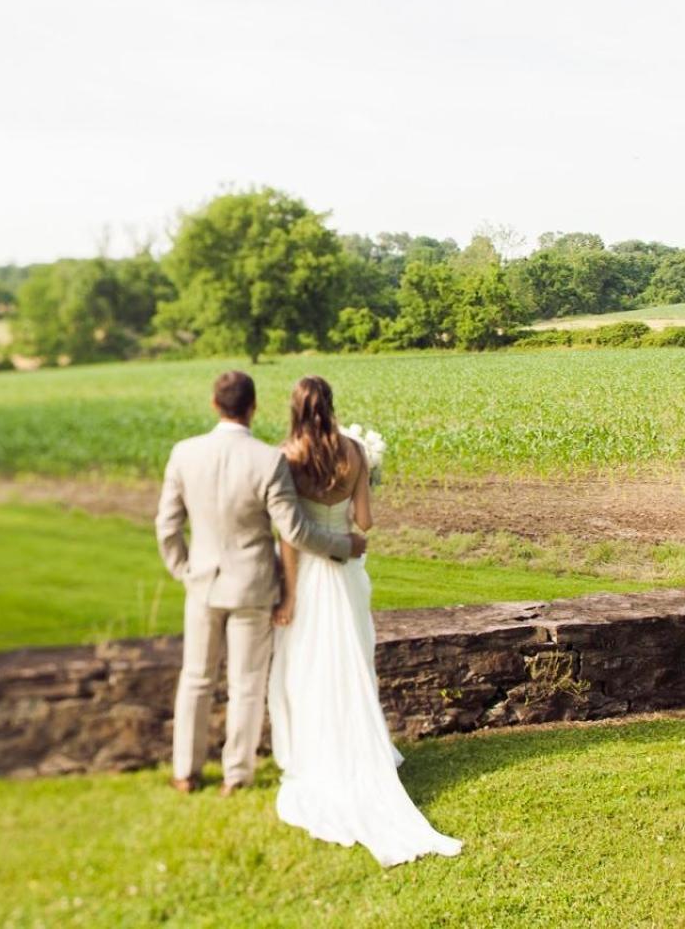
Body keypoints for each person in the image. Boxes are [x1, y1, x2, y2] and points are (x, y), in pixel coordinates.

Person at [267, 375, 463, 866]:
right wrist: (364, 484)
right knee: (353, 661)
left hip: (309, 576)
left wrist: (287, 595)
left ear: (295, 410)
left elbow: (290, 538)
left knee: (309, 668)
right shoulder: (354, 451)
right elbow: (366, 523)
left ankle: (318, 757)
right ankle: (361, 749)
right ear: (330, 405)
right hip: (348, 573)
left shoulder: (286, 457)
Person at [155, 370, 367, 796]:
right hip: (252, 587)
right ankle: (236, 774)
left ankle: (185, 771)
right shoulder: (267, 459)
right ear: (252, 408)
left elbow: (166, 526)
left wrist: (184, 570)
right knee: (246, 684)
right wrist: (344, 544)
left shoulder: (184, 453)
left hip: (201, 584)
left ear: (215, 405)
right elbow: (294, 531)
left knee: (195, 677)